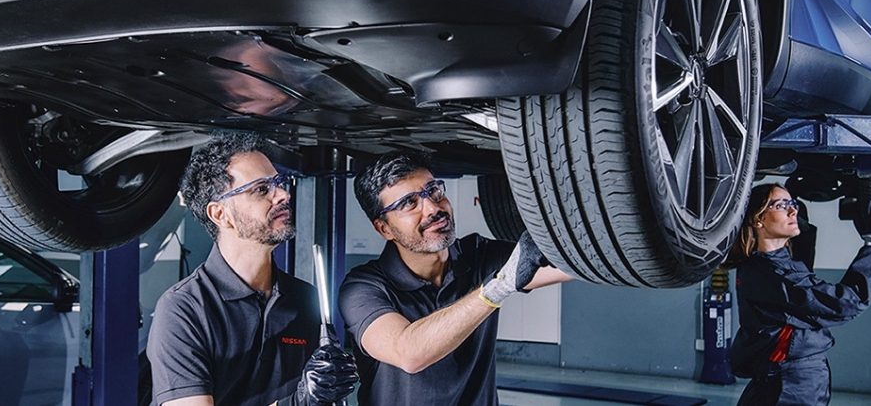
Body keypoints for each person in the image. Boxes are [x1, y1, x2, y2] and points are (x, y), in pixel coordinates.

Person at [339, 152, 573, 405]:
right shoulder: (364, 287)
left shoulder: (478, 255)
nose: (433, 208)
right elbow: (408, 353)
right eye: (409, 203)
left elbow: (573, 265)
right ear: (384, 228)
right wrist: (496, 288)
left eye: (433, 191)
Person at [146, 132, 359, 406]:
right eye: (261, 189)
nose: (283, 194)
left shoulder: (304, 299)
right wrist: (297, 402)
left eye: (279, 183)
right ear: (220, 214)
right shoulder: (184, 310)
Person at [729, 183, 871, 405]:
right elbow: (843, 303)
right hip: (791, 385)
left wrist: (801, 201)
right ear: (757, 219)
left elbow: (800, 266)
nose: (793, 210)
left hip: (777, 378)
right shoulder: (776, 275)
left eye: (792, 203)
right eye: (781, 205)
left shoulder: (758, 265)